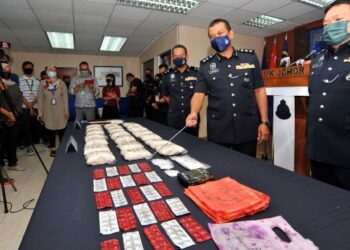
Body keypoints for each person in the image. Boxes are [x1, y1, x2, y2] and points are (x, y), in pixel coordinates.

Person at [186, 19, 269, 157]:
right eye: (212, 37)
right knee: (221, 170)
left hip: (246, 127)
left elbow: (259, 90)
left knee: (247, 171)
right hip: (219, 130)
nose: (216, 38)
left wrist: (264, 122)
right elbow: (199, 94)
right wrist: (194, 112)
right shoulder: (206, 66)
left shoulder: (249, 58)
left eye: (220, 33)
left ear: (231, 34)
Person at [306, 0, 350, 190]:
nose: (330, 26)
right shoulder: (318, 60)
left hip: (346, 153)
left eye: (338, 19)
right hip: (319, 151)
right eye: (325, 24)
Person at [161, 45, 200, 136]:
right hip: (173, 117)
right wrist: (173, 104)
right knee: (174, 146)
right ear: (172, 58)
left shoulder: (197, 73)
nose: (178, 58)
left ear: (187, 56)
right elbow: (164, 93)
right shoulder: (167, 75)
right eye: (175, 56)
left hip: (191, 117)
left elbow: (200, 94)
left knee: (192, 145)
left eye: (181, 55)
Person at [37, 66, 68, 157]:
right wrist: (40, 113)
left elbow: (65, 98)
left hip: (60, 110)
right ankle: (53, 148)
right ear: (46, 72)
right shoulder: (42, 84)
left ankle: (62, 147)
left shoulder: (61, 83)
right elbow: (40, 99)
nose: (52, 72)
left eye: (54, 71)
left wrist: (66, 111)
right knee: (50, 129)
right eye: (50, 71)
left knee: (61, 129)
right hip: (48, 110)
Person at [0, 60, 24, 171]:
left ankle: (12, 164)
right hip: (2, 118)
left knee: (12, 142)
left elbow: (19, 100)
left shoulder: (15, 84)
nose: (6, 71)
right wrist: (8, 114)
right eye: (3, 69)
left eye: (8, 68)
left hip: (15, 117)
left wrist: (16, 114)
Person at [19, 61, 41, 155]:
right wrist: (28, 105)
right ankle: (29, 146)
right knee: (26, 127)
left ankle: (38, 140)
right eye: (26, 67)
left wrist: (32, 105)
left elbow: (39, 95)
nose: (28, 68)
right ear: (23, 69)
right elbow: (19, 95)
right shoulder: (19, 80)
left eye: (30, 67)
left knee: (37, 125)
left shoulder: (37, 81)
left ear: (32, 68)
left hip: (35, 106)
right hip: (24, 107)